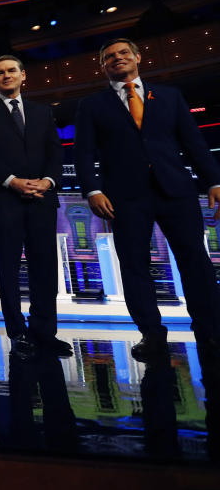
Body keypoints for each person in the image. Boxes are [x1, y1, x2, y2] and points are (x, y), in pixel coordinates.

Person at [75, 38, 220, 362]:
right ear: (102, 66)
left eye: (123, 53)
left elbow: (193, 142)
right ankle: (152, 335)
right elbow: (84, 153)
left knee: (196, 263)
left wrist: (214, 180)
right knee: (134, 266)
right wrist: (93, 190)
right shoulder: (92, 105)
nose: (117, 58)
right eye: (109, 56)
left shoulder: (169, 96)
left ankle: (211, 332)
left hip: (176, 191)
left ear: (138, 57)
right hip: (124, 198)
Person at [0, 54, 69, 358]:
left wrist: (48, 181)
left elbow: (55, 152)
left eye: (11, 71)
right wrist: (13, 181)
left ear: (23, 75)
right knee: (8, 270)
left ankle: (45, 332)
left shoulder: (42, 112)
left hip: (41, 198)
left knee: (45, 268)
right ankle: (18, 333)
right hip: (2, 200)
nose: (6, 76)